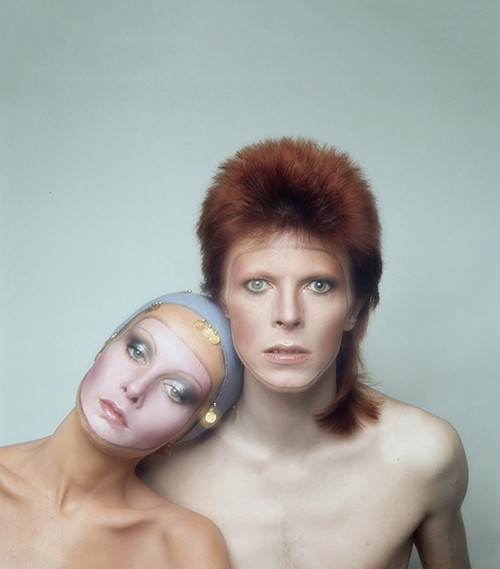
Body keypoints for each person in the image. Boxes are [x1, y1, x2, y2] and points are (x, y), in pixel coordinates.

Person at [141, 138, 471, 569]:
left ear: (354, 307)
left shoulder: (425, 455)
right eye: (257, 284)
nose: (288, 315)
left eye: (319, 285)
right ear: (221, 301)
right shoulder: (156, 467)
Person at [0, 291, 242, 569]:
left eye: (175, 391)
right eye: (137, 351)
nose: (135, 388)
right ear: (108, 344)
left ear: (188, 430)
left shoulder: (183, 547)